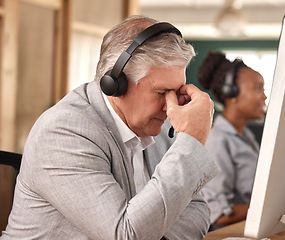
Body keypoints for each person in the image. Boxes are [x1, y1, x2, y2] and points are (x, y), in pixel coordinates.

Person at [0, 16, 220, 240]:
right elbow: (124, 235)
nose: (171, 107)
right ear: (115, 84)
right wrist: (191, 139)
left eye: (176, 92)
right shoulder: (62, 132)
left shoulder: (158, 124)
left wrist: (152, 230)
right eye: (162, 93)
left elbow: (198, 212)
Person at [198, 51, 267, 228]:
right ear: (232, 92)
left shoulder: (247, 136)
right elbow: (218, 215)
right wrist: (270, 207)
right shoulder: (217, 141)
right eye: (258, 89)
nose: (264, 97)